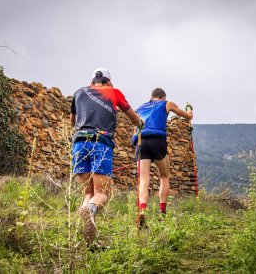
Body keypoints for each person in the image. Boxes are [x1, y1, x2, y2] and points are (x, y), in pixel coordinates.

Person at [70, 67, 143, 245]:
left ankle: (90, 239)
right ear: (108, 81)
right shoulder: (113, 92)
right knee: (102, 193)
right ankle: (91, 210)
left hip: (79, 142)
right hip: (100, 141)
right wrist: (141, 123)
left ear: (92, 81)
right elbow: (133, 118)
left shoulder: (78, 93)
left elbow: (73, 122)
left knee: (88, 191)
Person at [132, 87, 193, 228]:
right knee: (164, 176)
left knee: (143, 179)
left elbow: (135, 127)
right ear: (163, 97)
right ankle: (162, 213)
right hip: (157, 140)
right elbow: (188, 117)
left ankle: (142, 210)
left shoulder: (140, 107)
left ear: (151, 97)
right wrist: (189, 109)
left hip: (141, 141)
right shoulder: (167, 103)